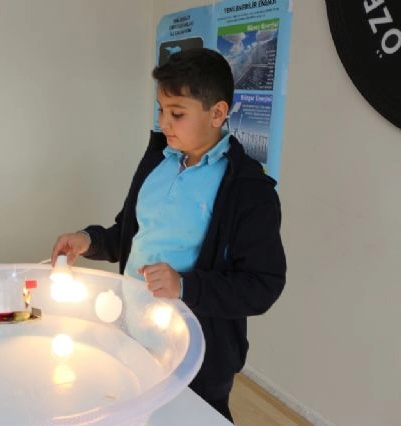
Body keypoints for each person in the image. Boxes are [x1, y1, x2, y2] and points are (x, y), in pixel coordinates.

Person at [50, 48, 286, 423]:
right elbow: (130, 233)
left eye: (177, 114)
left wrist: (185, 286)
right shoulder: (157, 162)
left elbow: (263, 284)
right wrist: (89, 240)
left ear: (217, 113)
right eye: (160, 110)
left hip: (199, 358)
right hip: (132, 334)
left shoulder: (249, 190)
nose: (164, 123)